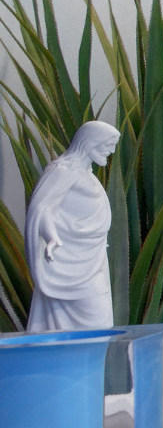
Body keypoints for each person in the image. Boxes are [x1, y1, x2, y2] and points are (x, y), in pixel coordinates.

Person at [25, 120, 122, 332]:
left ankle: (89, 365)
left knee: (102, 321)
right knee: (97, 319)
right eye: (107, 144)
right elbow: (42, 209)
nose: (111, 150)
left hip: (92, 258)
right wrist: (52, 238)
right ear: (90, 142)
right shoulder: (64, 170)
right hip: (70, 263)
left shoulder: (85, 173)